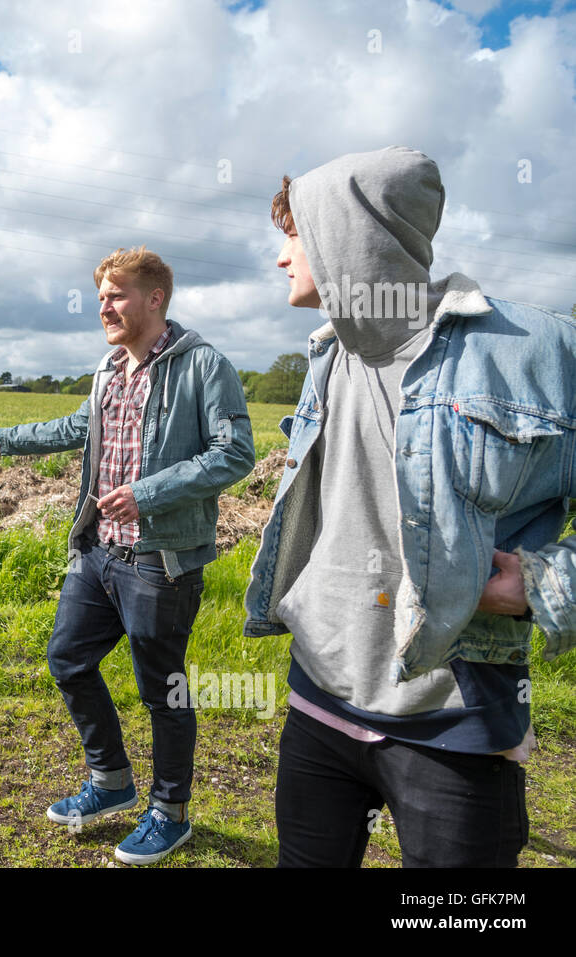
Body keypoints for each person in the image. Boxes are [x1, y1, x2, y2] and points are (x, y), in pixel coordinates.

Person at [243, 146, 576, 867]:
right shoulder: (328, 355)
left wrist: (543, 582)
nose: (281, 259)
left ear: (346, 234)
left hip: (454, 722)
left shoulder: (536, 352)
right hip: (318, 699)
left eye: (294, 234)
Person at [0, 246, 255, 865]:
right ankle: (111, 781)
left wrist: (149, 494)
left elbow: (233, 454)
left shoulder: (204, 366)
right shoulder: (108, 369)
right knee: (68, 659)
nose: (104, 304)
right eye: (100, 295)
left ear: (155, 299)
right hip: (98, 552)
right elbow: (82, 428)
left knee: (164, 691)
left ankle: (170, 811)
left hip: (162, 561)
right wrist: (10, 440)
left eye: (116, 293)